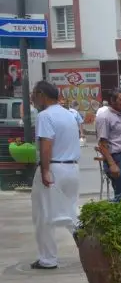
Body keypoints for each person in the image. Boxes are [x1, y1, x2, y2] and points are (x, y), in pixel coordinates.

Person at [31, 81, 81, 270]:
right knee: (71, 213)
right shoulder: (69, 115)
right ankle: (93, 248)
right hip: (71, 169)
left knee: (43, 215)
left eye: (34, 94)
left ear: (42, 95)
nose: (33, 99)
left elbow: (46, 145)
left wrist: (45, 170)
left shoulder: (45, 116)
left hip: (54, 168)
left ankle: (48, 259)